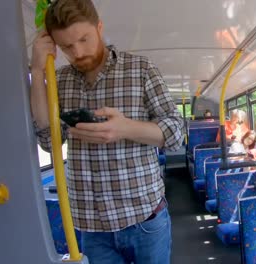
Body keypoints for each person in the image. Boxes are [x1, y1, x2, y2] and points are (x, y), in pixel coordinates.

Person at [30, 1, 183, 263]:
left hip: (144, 220)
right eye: (66, 46)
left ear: (99, 28)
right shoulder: (61, 80)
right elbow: (48, 140)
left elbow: (177, 133)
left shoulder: (141, 69)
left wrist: (125, 128)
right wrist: (36, 70)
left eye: (83, 39)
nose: (77, 53)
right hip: (92, 227)